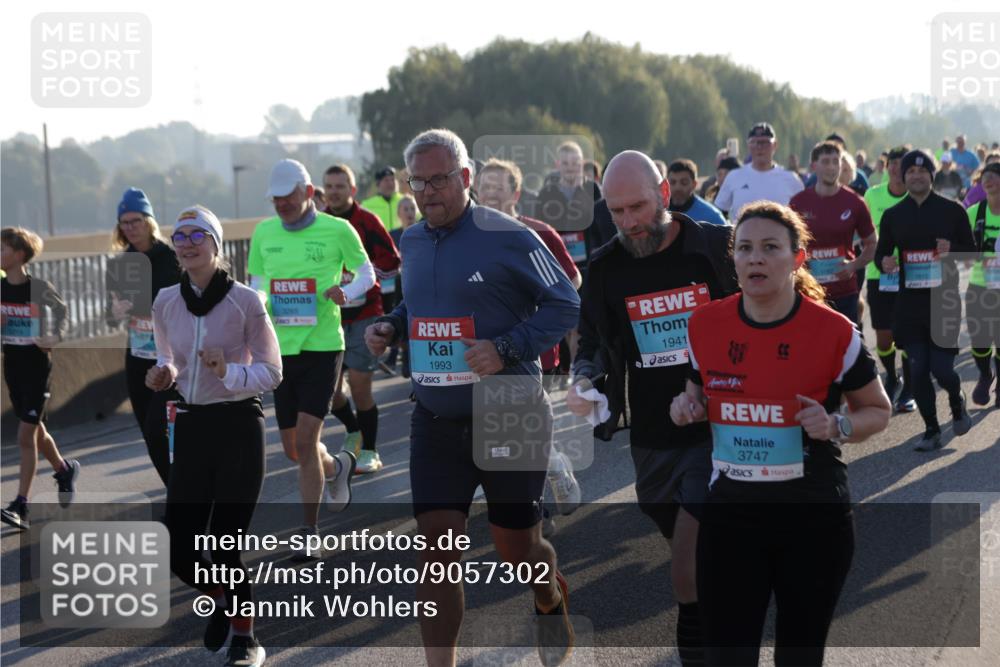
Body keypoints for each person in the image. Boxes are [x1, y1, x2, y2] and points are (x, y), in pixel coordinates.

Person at [364, 128, 579, 667]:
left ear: (465, 178)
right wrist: (391, 326)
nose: (428, 191)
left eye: (439, 179)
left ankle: (549, 598)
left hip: (508, 410)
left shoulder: (507, 235)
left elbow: (565, 303)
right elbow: (420, 308)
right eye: (419, 182)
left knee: (518, 551)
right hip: (435, 417)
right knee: (436, 552)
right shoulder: (411, 241)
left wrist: (505, 347)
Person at [671, 201, 890, 667]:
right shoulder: (705, 325)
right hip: (731, 518)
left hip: (812, 520)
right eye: (745, 248)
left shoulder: (834, 332)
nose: (756, 258)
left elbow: (877, 409)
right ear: (733, 258)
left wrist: (837, 425)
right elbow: (695, 395)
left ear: (797, 258)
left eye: (771, 248)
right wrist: (685, 407)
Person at [567, 150, 738, 667]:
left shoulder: (714, 246)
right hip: (651, 430)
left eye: (637, 208)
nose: (629, 223)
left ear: (664, 193)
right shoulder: (604, 267)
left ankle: (705, 630)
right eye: (616, 212)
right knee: (666, 516)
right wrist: (584, 380)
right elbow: (594, 340)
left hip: (721, 426)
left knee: (695, 533)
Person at [148, 206, 281, 667]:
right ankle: (225, 599)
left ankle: (246, 638)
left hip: (240, 424)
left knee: (224, 541)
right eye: (178, 235)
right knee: (178, 545)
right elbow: (169, 354)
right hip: (192, 425)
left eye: (196, 235)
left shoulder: (246, 300)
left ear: (215, 244)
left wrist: (231, 372)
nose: (185, 243)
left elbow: (272, 372)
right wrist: (165, 371)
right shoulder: (166, 299)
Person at [247, 158, 369, 557]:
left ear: (308, 193)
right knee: (293, 450)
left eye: (288, 197)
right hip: (280, 350)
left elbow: (367, 273)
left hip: (322, 346)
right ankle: (337, 467)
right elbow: (258, 284)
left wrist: (347, 293)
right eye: (275, 199)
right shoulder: (263, 233)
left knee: (305, 438)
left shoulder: (337, 229)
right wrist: (259, 304)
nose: (281, 204)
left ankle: (309, 530)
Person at [475, 158, 583, 520]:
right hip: (481, 353)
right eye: (483, 187)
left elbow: (572, 285)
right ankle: (546, 470)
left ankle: (539, 497)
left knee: (522, 430)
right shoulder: (467, 239)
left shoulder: (538, 234)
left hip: (531, 351)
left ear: (515, 193)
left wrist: (532, 319)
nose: (488, 194)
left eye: (496, 187)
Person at [875, 150, 977, 451]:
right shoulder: (893, 215)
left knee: (943, 371)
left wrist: (953, 248)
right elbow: (881, 253)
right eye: (910, 173)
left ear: (931, 175)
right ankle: (931, 429)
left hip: (943, 302)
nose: (916, 176)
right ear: (903, 177)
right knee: (918, 371)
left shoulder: (952, 210)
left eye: (922, 172)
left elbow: (971, 254)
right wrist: (886, 263)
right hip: (909, 305)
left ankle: (957, 404)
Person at [322, 164, 401, 474]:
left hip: (366, 313)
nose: (334, 191)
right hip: (329, 316)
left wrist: (363, 279)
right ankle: (353, 430)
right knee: (330, 391)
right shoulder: (318, 224)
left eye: (340, 186)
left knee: (359, 384)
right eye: (329, 186)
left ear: (352, 190)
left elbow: (392, 261)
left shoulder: (367, 221)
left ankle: (369, 450)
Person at [0, 227, 79, 530]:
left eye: (3, 249)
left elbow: (61, 311)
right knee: (35, 429)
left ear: (19, 254)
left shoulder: (39, 287)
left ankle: (21, 504)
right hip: (13, 368)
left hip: (36, 370)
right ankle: (63, 469)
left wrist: (54, 335)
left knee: (24, 435)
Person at [105, 187, 181, 486]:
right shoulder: (121, 262)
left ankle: (186, 490)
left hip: (170, 358)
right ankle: (175, 491)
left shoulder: (170, 257)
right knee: (149, 434)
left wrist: (145, 306)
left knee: (161, 428)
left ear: (149, 220)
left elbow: (179, 302)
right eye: (124, 223)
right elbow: (110, 315)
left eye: (135, 220)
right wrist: (115, 310)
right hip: (138, 356)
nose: (130, 228)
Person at [790, 141, 876, 324]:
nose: (831, 167)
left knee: (846, 349)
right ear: (814, 166)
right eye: (825, 161)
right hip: (808, 291)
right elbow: (786, 244)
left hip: (844, 293)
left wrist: (854, 265)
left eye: (836, 161)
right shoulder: (798, 202)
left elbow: (872, 244)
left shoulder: (855, 202)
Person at [864, 146, 916, 413]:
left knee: (905, 334)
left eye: (902, 164)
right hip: (878, 275)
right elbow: (861, 233)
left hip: (910, 275)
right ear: (887, 167)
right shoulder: (872, 195)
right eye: (893, 163)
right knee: (883, 338)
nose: (897, 168)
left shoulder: (918, 196)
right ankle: (892, 377)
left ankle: (909, 388)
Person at [714, 122, 804, 220]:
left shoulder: (791, 179)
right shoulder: (734, 176)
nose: (759, 147)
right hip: (743, 234)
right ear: (748, 145)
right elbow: (718, 212)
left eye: (764, 142)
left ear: (775, 145)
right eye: (754, 142)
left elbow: (803, 216)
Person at [966, 161, 1000, 407]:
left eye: (995, 176)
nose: (989, 180)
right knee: (979, 340)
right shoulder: (974, 212)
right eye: (985, 176)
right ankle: (985, 375)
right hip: (979, 283)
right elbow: (960, 245)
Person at [384, 195, 418, 376]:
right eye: (406, 209)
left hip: (418, 284)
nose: (410, 212)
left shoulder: (425, 231)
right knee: (399, 319)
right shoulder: (393, 235)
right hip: (397, 286)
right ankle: (401, 358)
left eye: (412, 208)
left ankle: (408, 360)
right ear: (399, 213)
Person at [667, 159, 727, 226]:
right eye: (672, 182)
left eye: (684, 182)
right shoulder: (657, 213)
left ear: (694, 184)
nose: (677, 187)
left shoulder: (713, 218)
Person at [360, 166, 405, 232]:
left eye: (392, 179)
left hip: (402, 240)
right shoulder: (366, 205)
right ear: (378, 184)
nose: (390, 183)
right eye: (386, 180)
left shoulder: (406, 201)